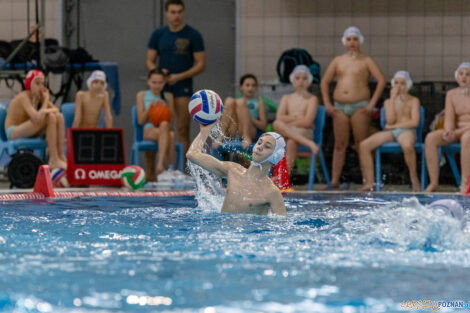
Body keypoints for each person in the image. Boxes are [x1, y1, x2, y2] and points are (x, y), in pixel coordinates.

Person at [321, 26, 386, 189]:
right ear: (344, 42)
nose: (352, 43)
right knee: (339, 144)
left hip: (360, 106)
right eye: (349, 39)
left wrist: (372, 104)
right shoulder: (338, 61)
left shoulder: (366, 60)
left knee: (361, 144)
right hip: (339, 107)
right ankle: (335, 180)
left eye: (355, 39)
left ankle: (367, 180)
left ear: (360, 42)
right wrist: (327, 104)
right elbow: (324, 82)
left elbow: (381, 81)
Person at [187, 124, 287, 216]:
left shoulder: (272, 192)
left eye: (267, 146)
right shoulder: (233, 170)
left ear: (275, 156)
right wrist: (205, 130)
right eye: (259, 143)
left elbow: (282, 227)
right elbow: (192, 155)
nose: (260, 147)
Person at [146, 0, 206, 154]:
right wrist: (159, 73)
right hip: (162, 87)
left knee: (182, 128)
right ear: (167, 13)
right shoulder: (158, 34)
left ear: (183, 12)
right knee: (158, 127)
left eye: (179, 12)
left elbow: (201, 64)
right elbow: (149, 60)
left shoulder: (193, 35)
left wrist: (179, 76)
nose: (176, 16)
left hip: (183, 86)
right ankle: (156, 172)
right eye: (173, 12)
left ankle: (183, 170)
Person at [359, 71, 421, 191]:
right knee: (364, 145)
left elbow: (414, 122)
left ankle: (414, 179)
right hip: (393, 132)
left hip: (407, 131)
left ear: (408, 85)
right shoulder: (388, 102)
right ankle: (369, 182)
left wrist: (394, 127)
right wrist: (393, 98)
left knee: (407, 145)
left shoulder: (414, 101)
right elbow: (390, 120)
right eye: (396, 83)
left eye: (402, 83)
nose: (399, 86)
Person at [5, 70, 67, 169]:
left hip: (27, 129)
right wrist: (46, 100)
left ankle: (61, 156)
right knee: (50, 117)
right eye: (37, 83)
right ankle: (53, 159)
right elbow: (37, 118)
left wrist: (45, 107)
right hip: (13, 131)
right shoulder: (23, 97)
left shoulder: (37, 97)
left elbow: (57, 110)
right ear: (29, 84)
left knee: (59, 117)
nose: (41, 87)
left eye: (43, 84)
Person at [424, 62, 470, 193]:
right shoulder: (451, 94)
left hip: (467, 133)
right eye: (461, 74)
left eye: (468, 74)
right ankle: (433, 183)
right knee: (431, 138)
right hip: (458, 130)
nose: (464, 77)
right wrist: (448, 130)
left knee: (467, 138)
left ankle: (465, 183)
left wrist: (458, 131)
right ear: (457, 77)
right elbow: (449, 117)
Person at [273, 65, 319, 174]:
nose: (301, 81)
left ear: (309, 81)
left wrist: (287, 124)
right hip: (293, 133)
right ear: (292, 80)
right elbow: (279, 118)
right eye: (298, 78)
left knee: (281, 128)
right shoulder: (286, 98)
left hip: (305, 131)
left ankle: (283, 177)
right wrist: (295, 117)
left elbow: (307, 121)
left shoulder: (312, 99)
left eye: (304, 78)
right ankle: (309, 144)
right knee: (285, 134)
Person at [136, 68, 176, 182]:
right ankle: (166, 168)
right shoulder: (142, 95)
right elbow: (140, 121)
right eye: (154, 82)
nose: (157, 86)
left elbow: (171, 122)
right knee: (170, 135)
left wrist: (165, 109)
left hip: (164, 130)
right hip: (149, 130)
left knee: (166, 127)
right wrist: (150, 108)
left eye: (160, 83)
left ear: (164, 83)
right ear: (148, 81)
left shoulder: (168, 96)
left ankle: (167, 169)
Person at [214, 74, 267, 149]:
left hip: (250, 130)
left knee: (241, 102)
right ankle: (221, 135)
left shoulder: (259, 103)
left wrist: (248, 118)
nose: (250, 88)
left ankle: (246, 136)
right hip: (234, 130)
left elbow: (263, 125)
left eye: (253, 85)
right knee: (229, 100)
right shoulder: (235, 102)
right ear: (241, 87)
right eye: (247, 85)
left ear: (256, 88)